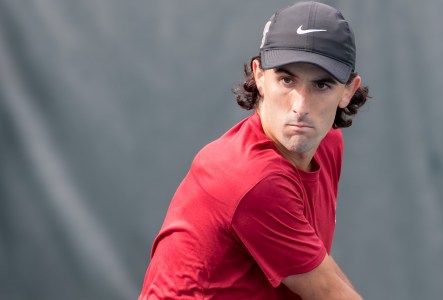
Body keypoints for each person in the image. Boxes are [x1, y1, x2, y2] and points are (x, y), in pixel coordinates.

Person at [139, 2, 370, 299]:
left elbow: (322, 270)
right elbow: (328, 292)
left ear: (348, 91)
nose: (300, 107)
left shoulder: (327, 144)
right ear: (260, 76)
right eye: (287, 80)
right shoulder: (254, 179)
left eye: (322, 85)